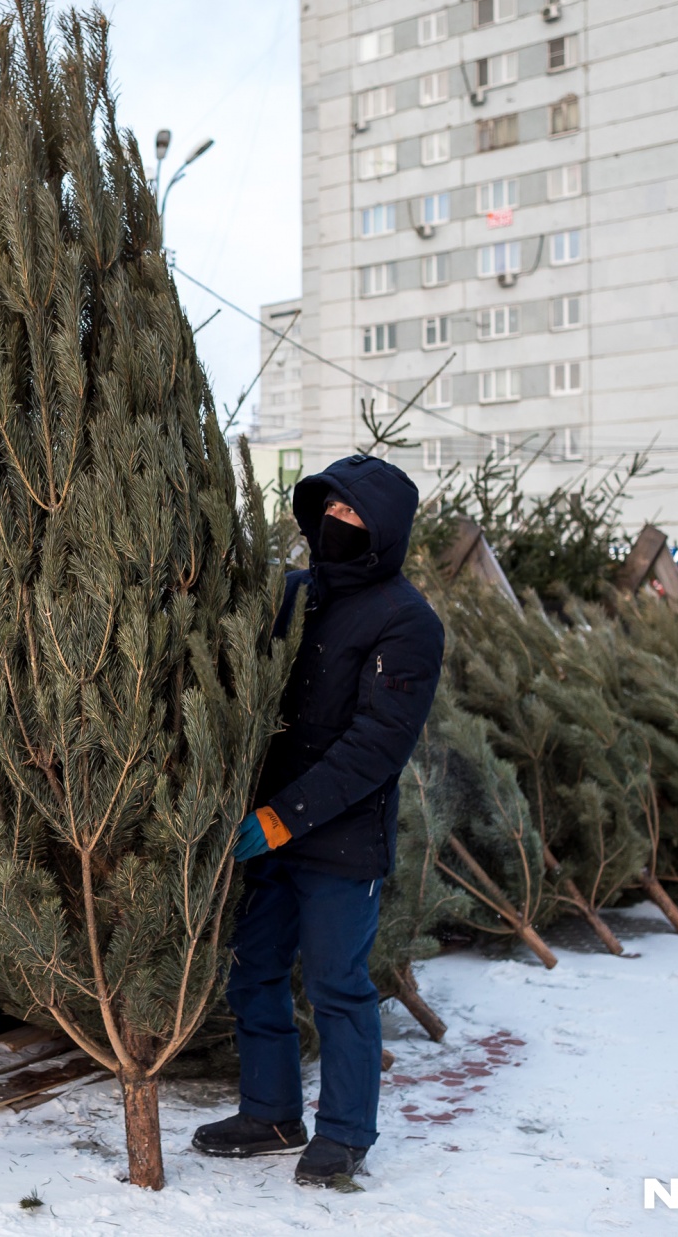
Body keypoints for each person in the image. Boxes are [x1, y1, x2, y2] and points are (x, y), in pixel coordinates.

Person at [192, 453, 445, 1186]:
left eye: (354, 519)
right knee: (253, 969)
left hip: (337, 840)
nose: (337, 527)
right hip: (265, 830)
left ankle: (344, 1133)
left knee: (337, 983)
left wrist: (284, 816)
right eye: (328, 513)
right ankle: (271, 1112)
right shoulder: (294, 595)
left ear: (384, 533)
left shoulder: (409, 622)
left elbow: (377, 747)